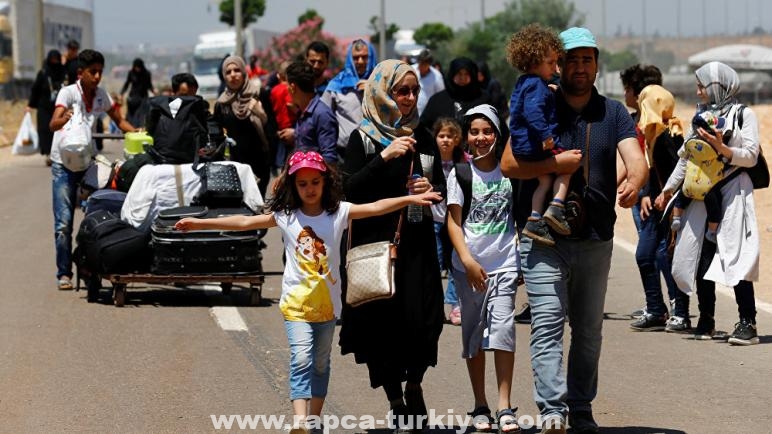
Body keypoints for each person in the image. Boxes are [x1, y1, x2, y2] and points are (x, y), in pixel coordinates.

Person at [175, 150, 441, 434]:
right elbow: (244, 222)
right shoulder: (286, 217)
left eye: (315, 182)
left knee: (320, 363)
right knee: (301, 358)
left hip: (328, 306)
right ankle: (300, 421)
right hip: (295, 306)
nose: (310, 189)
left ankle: (314, 419)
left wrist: (410, 199)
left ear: (325, 182)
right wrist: (200, 223)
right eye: (303, 184)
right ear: (293, 186)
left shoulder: (338, 212)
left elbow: (376, 207)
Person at [500, 27, 647, 434]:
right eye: (572, 59)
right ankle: (552, 410)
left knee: (587, 331)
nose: (580, 66)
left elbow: (636, 158)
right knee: (546, 321)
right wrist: (556, 167)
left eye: (588, 59)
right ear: (558, 63)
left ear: (597, 64)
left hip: (596, 236)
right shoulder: (539, 101)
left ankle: (580, 407)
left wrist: (635, 180)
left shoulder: (613, 113)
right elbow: (509, 164)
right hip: (543, 238)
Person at [340, 59, 446, 433]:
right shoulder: (364, 138)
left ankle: (415, 382)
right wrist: (384, 157)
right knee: (381, 327)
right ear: (383, 92)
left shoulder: (425, 135)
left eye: (414, 90)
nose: (409, 97)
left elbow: (441, 189)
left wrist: (428, 190)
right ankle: (395, 399)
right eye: (402, 90)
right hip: (375, 245)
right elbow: (347, 192)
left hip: (416, 245)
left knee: (426, 321)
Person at [655, 61, 762, 345]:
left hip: (734, 192)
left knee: (735, 257)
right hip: (704, 195)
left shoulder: (744, 115)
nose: (698, 90)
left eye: (702, 85)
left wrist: (721, 147)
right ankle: (707, 318)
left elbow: (750, 156)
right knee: (701, 256)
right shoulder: (700, 116)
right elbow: (686, 157)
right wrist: (667, 190)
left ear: (718, 86)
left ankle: (747, 322)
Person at [446, 104, 522, 434]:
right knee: (474, 336)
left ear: (498, 134)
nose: (480, 137)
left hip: (504, 264)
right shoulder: (460, 174)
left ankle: (505, 406)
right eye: (474, 132)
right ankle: (481, 404)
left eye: (487, 131)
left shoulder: (511, 172)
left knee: (503, 332)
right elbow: (453, 222)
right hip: (468, 269)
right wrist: (467, 261)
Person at [49, 49, 136, 290]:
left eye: (100, 72)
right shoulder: (67, 94)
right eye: (92, 72)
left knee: (95, 217)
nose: (97, 77)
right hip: (62, 165)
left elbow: (119, 121)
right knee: (63, 224)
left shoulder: (101, 96)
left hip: (87, 165)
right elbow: (52, 123)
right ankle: (64, 273)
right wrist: (64, 118)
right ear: (81, 73)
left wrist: (137, 132)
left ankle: (89, 266)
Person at [627, 85, 691, 332]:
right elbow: (654, 172)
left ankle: (682, 313)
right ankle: (656, 309)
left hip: (673, 207)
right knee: (645, 255)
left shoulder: (669, 136)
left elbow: (681, 172)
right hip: (656, 205)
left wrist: (667, 196)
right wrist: (646, 195)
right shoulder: (653, 134)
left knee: (671, 257)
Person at [507, 23, 570, 247]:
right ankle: (557, 206)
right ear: (534, 62)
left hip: (523, 145)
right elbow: (533, 112)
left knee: (543, 181)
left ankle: (534, 219)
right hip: (534, 144)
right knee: (569, 164)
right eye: (551, 63)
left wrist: (549, 91)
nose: (555, 68)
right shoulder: (536, 85)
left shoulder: (527, 82)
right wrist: (546, 136)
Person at [213, 55, 272, 196]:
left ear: (244, 73)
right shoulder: (221, 104)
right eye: (228, 72)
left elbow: (272, 128)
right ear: (224, 76)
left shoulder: (259, 94)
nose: (233, 75)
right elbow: (216, 134)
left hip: (259, 162)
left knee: (258, 204)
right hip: (235, 164)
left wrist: (261, 114)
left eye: (237, 70)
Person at [669, 111, 728, 244]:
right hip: (709, 188)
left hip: (690, 184)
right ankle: (711, 232)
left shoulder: (689, 143)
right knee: (714, 208)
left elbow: (681, 154)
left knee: (681, 198)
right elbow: (725, 157)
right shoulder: (715, 146)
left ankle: (677, 218)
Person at [430, 117, 465, 326]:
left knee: (455, 262)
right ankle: (434, 306)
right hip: (433, 218)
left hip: (454, 219)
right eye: (441, 136)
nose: (445, 140)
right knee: (434, 262)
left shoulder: (463, 161)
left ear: (457, 139)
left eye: (450, 136)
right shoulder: (429, 160)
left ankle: (455, 305)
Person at [321, 39, 377, 159]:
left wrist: (374, 89)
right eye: (356, 58)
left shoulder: (383, 83)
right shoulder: (336, 85)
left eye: (365, 57)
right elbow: (322, 116)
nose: (360, 61)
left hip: (375, 151)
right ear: (350, 59)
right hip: (343, 153)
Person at [279, 61, 338, 164]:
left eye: (287, 84)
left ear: (292, 87)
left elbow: (329, 158)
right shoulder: (301, 112)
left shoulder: (322, 114)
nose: (286, 89)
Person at [26, 49, 66, 164]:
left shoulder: (63, 72)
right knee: (45, 130)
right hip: (44, 107)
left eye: (56, 60)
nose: (54, 62)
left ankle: (58, 154)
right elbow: (35, 90)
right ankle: (49, 154)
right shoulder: (43, 73)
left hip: (59, 107)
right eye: (52, 60)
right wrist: (30, 105)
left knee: (58, 131)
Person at [270, 61, 297, 173]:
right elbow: (290, 104)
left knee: (282, 156)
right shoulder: (288, 89)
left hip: (280, 125)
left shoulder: (273, 90)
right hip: (291, 124)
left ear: (278, 75)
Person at [121, 58, 156, 127]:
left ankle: (139, 129)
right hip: (133, 97)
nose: (137, 69)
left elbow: (149, 84)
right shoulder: (131, 73)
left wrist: (153, 91)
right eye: (136, 67)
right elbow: (127, 84)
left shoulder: (147, 74)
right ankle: (130, 128)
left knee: (141, 115)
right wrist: (122, 93)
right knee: (131, 115)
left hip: (143, 97)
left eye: (138, 67)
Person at [412, 49, 445, 116]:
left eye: (425, 63)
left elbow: (441, 96)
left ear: (429, 64)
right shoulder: (410, 70)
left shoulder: (437, 76)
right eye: (421, 63)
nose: (422, 66)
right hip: (410, 113)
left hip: (427, 114)